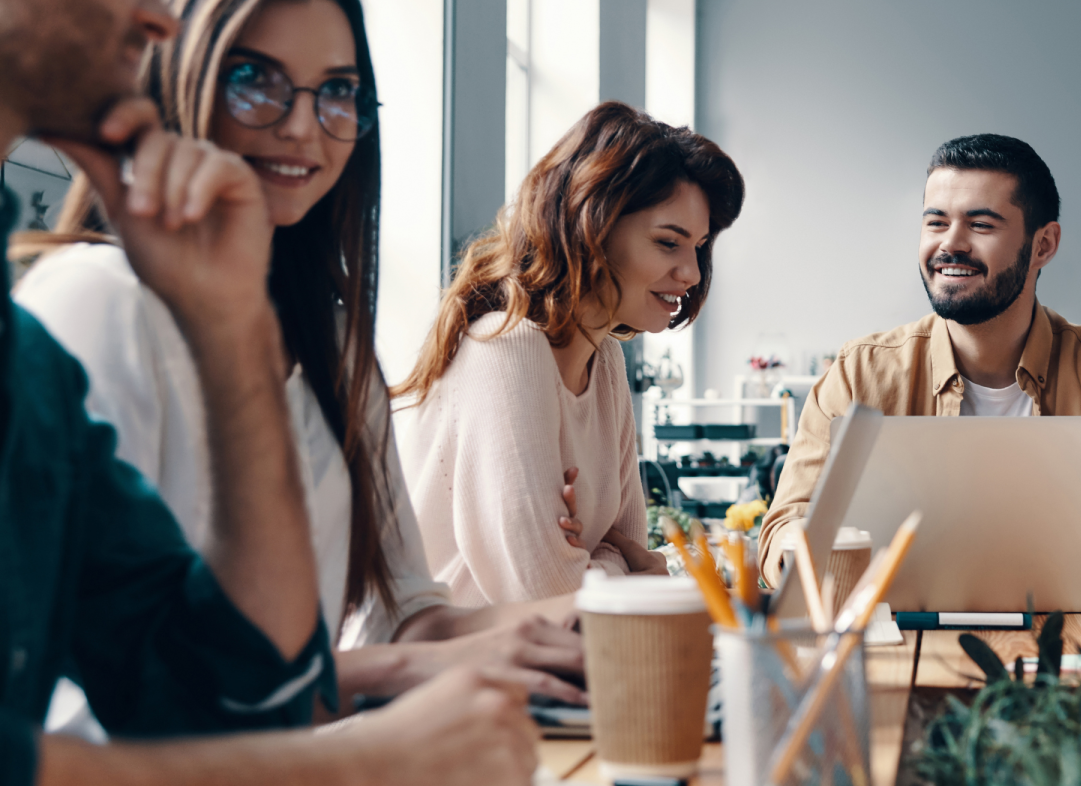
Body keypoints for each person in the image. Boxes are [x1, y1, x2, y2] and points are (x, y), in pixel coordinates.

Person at [0, 0, 534, 784]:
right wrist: (370, 759)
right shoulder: (88, 301)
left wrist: (233, 326)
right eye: (252, 78)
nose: (157, 17)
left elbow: (239, 696)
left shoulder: (30, 361)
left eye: (338, 91)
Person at [758, 134, 1081, 583]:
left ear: (1043, 245)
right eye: (936, 223)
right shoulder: (859, 374)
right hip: (901, 645)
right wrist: (798, 550)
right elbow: (787, 522)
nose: (950, 244)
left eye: (981, 225)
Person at [394, 101, 745, 604]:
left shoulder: (604, 363)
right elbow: (548, 595)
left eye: (699, 246)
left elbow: (628, 546)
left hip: (558, 667)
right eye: (669, 243)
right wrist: (613, 566)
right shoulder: (506, 349)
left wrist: (599, 561)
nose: (691, 272)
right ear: (593, 229)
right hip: (457, 670)